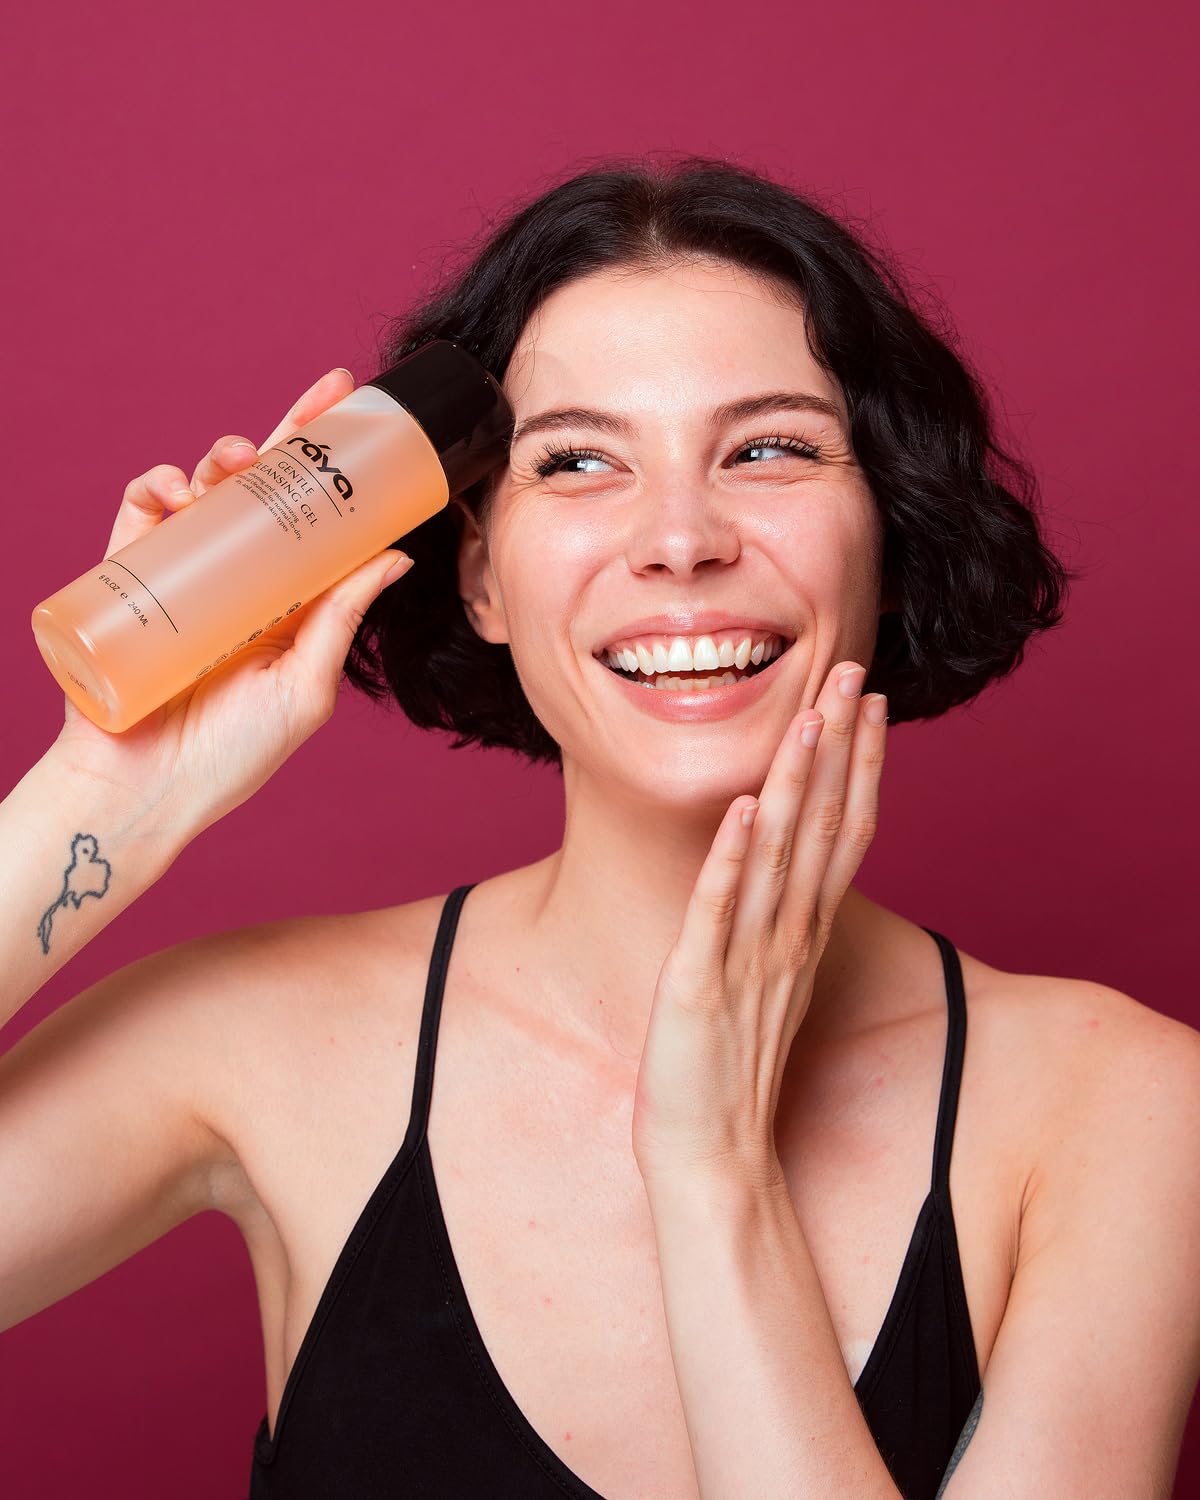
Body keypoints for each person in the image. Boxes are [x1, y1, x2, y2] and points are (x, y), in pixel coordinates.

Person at [2, 155, 1198, 1500]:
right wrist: (113, 791)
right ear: (479, 573)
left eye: (769, 449)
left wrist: (714, 1171)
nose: (679, 539)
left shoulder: (1123, 1108)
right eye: (577, 462)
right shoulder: (257, 1039)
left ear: (889, 537)